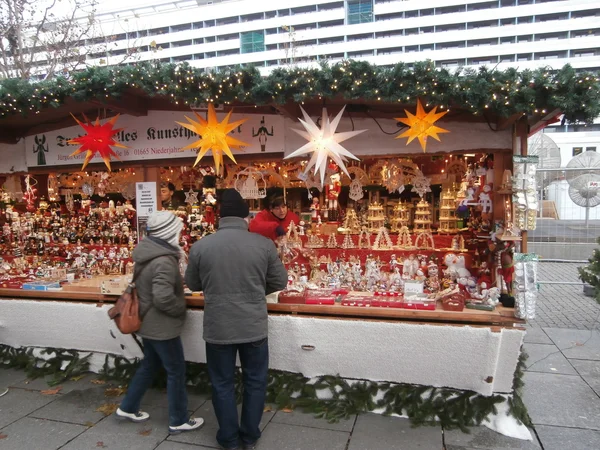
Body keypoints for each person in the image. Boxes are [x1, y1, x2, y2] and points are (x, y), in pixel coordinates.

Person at [185, 189, 288, 450]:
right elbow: (280, 281)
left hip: (219, 325)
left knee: (222, 382)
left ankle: (229, 439)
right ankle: (249, 435)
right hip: (252, 324)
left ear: (219, 218)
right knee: (255, 380)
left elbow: (193, 283)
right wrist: (254, 292)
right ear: (245, 217)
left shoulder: (201, 247)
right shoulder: (263, 244)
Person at [116, 211, 203, 434]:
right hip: (162, 326)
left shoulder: (148, 253)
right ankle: (179, 419)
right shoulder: (164, 259)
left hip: (148, 323)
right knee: (176, 371)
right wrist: (180, 309)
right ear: (168, 231)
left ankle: (128, 407)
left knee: (149, 365)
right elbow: (162, 296)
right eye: (177, 229)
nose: (181, 233)